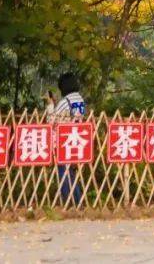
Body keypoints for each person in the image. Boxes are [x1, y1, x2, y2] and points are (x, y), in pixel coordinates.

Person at [45, 69, 87, 205]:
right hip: (77, 139)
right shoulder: (80, 99)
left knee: (63, 170)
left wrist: (50, 104)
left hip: (65, 139)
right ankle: (77, 200)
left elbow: (52, 121)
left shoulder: (66, 101)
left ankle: (68, 201)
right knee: (72, 172)